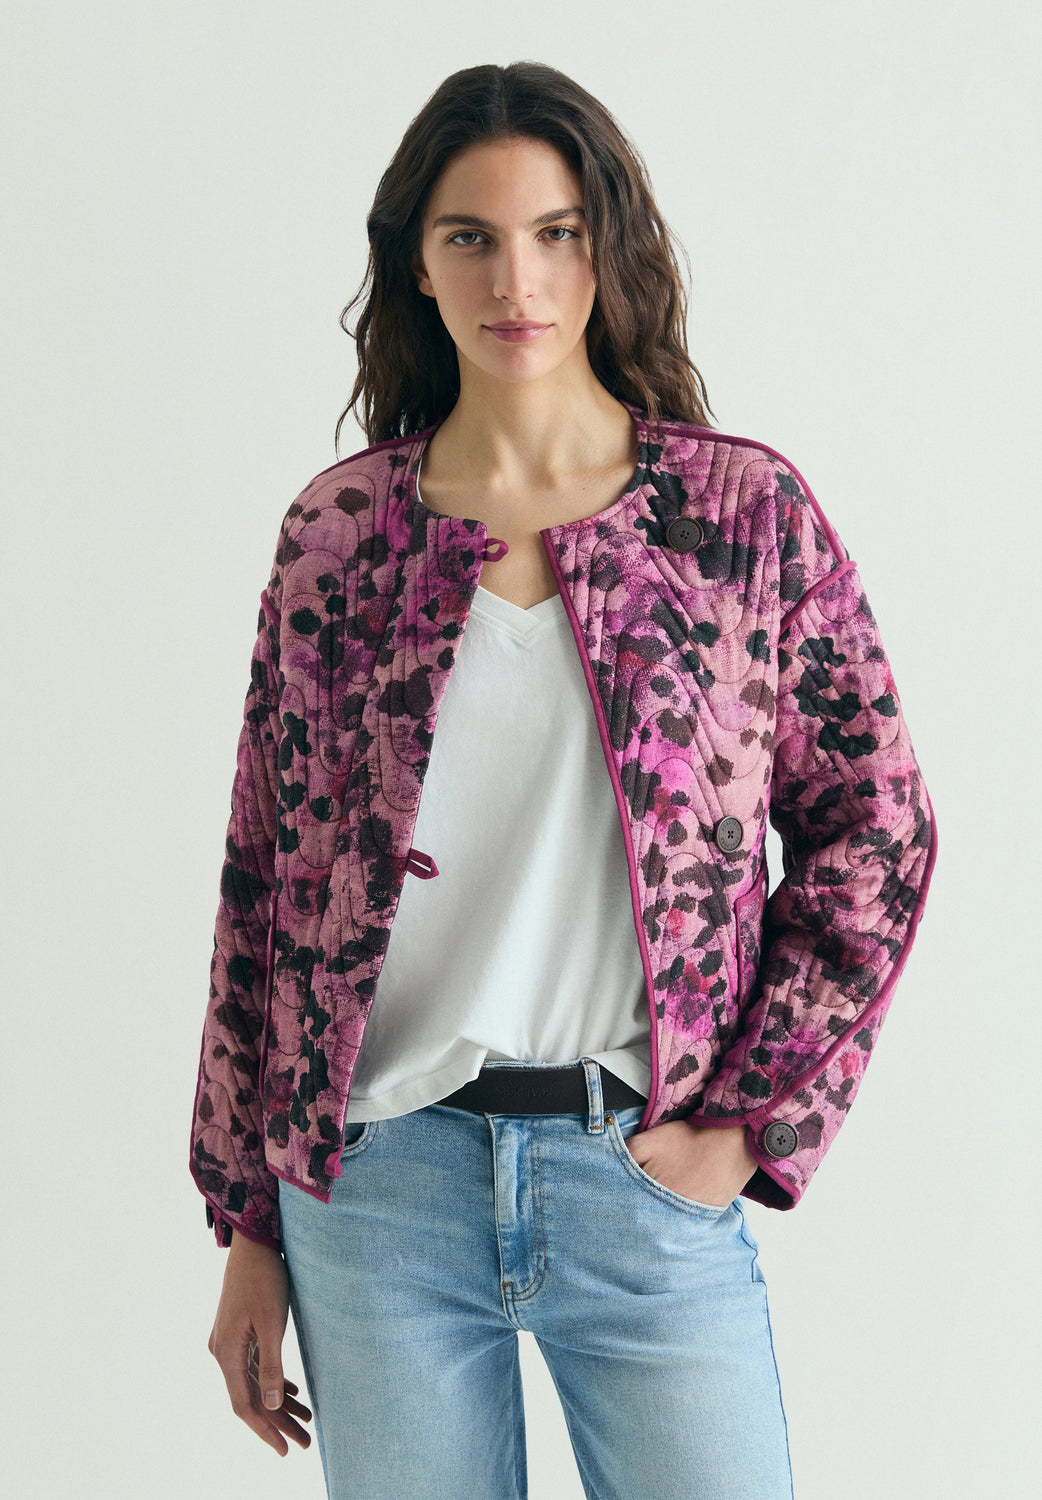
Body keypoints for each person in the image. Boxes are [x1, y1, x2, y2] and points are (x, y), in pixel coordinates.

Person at [192, 61, 936, 1500]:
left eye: (555, 232)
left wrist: (751, 1124)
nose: (514, 278)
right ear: (415, 263)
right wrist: (249, 1227)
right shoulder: (342, 536)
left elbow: (877, 830)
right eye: (469, 236)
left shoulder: (739, 517)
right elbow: (263, 887)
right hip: (376, 1197)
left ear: (608, 249)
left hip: (643, 1177)